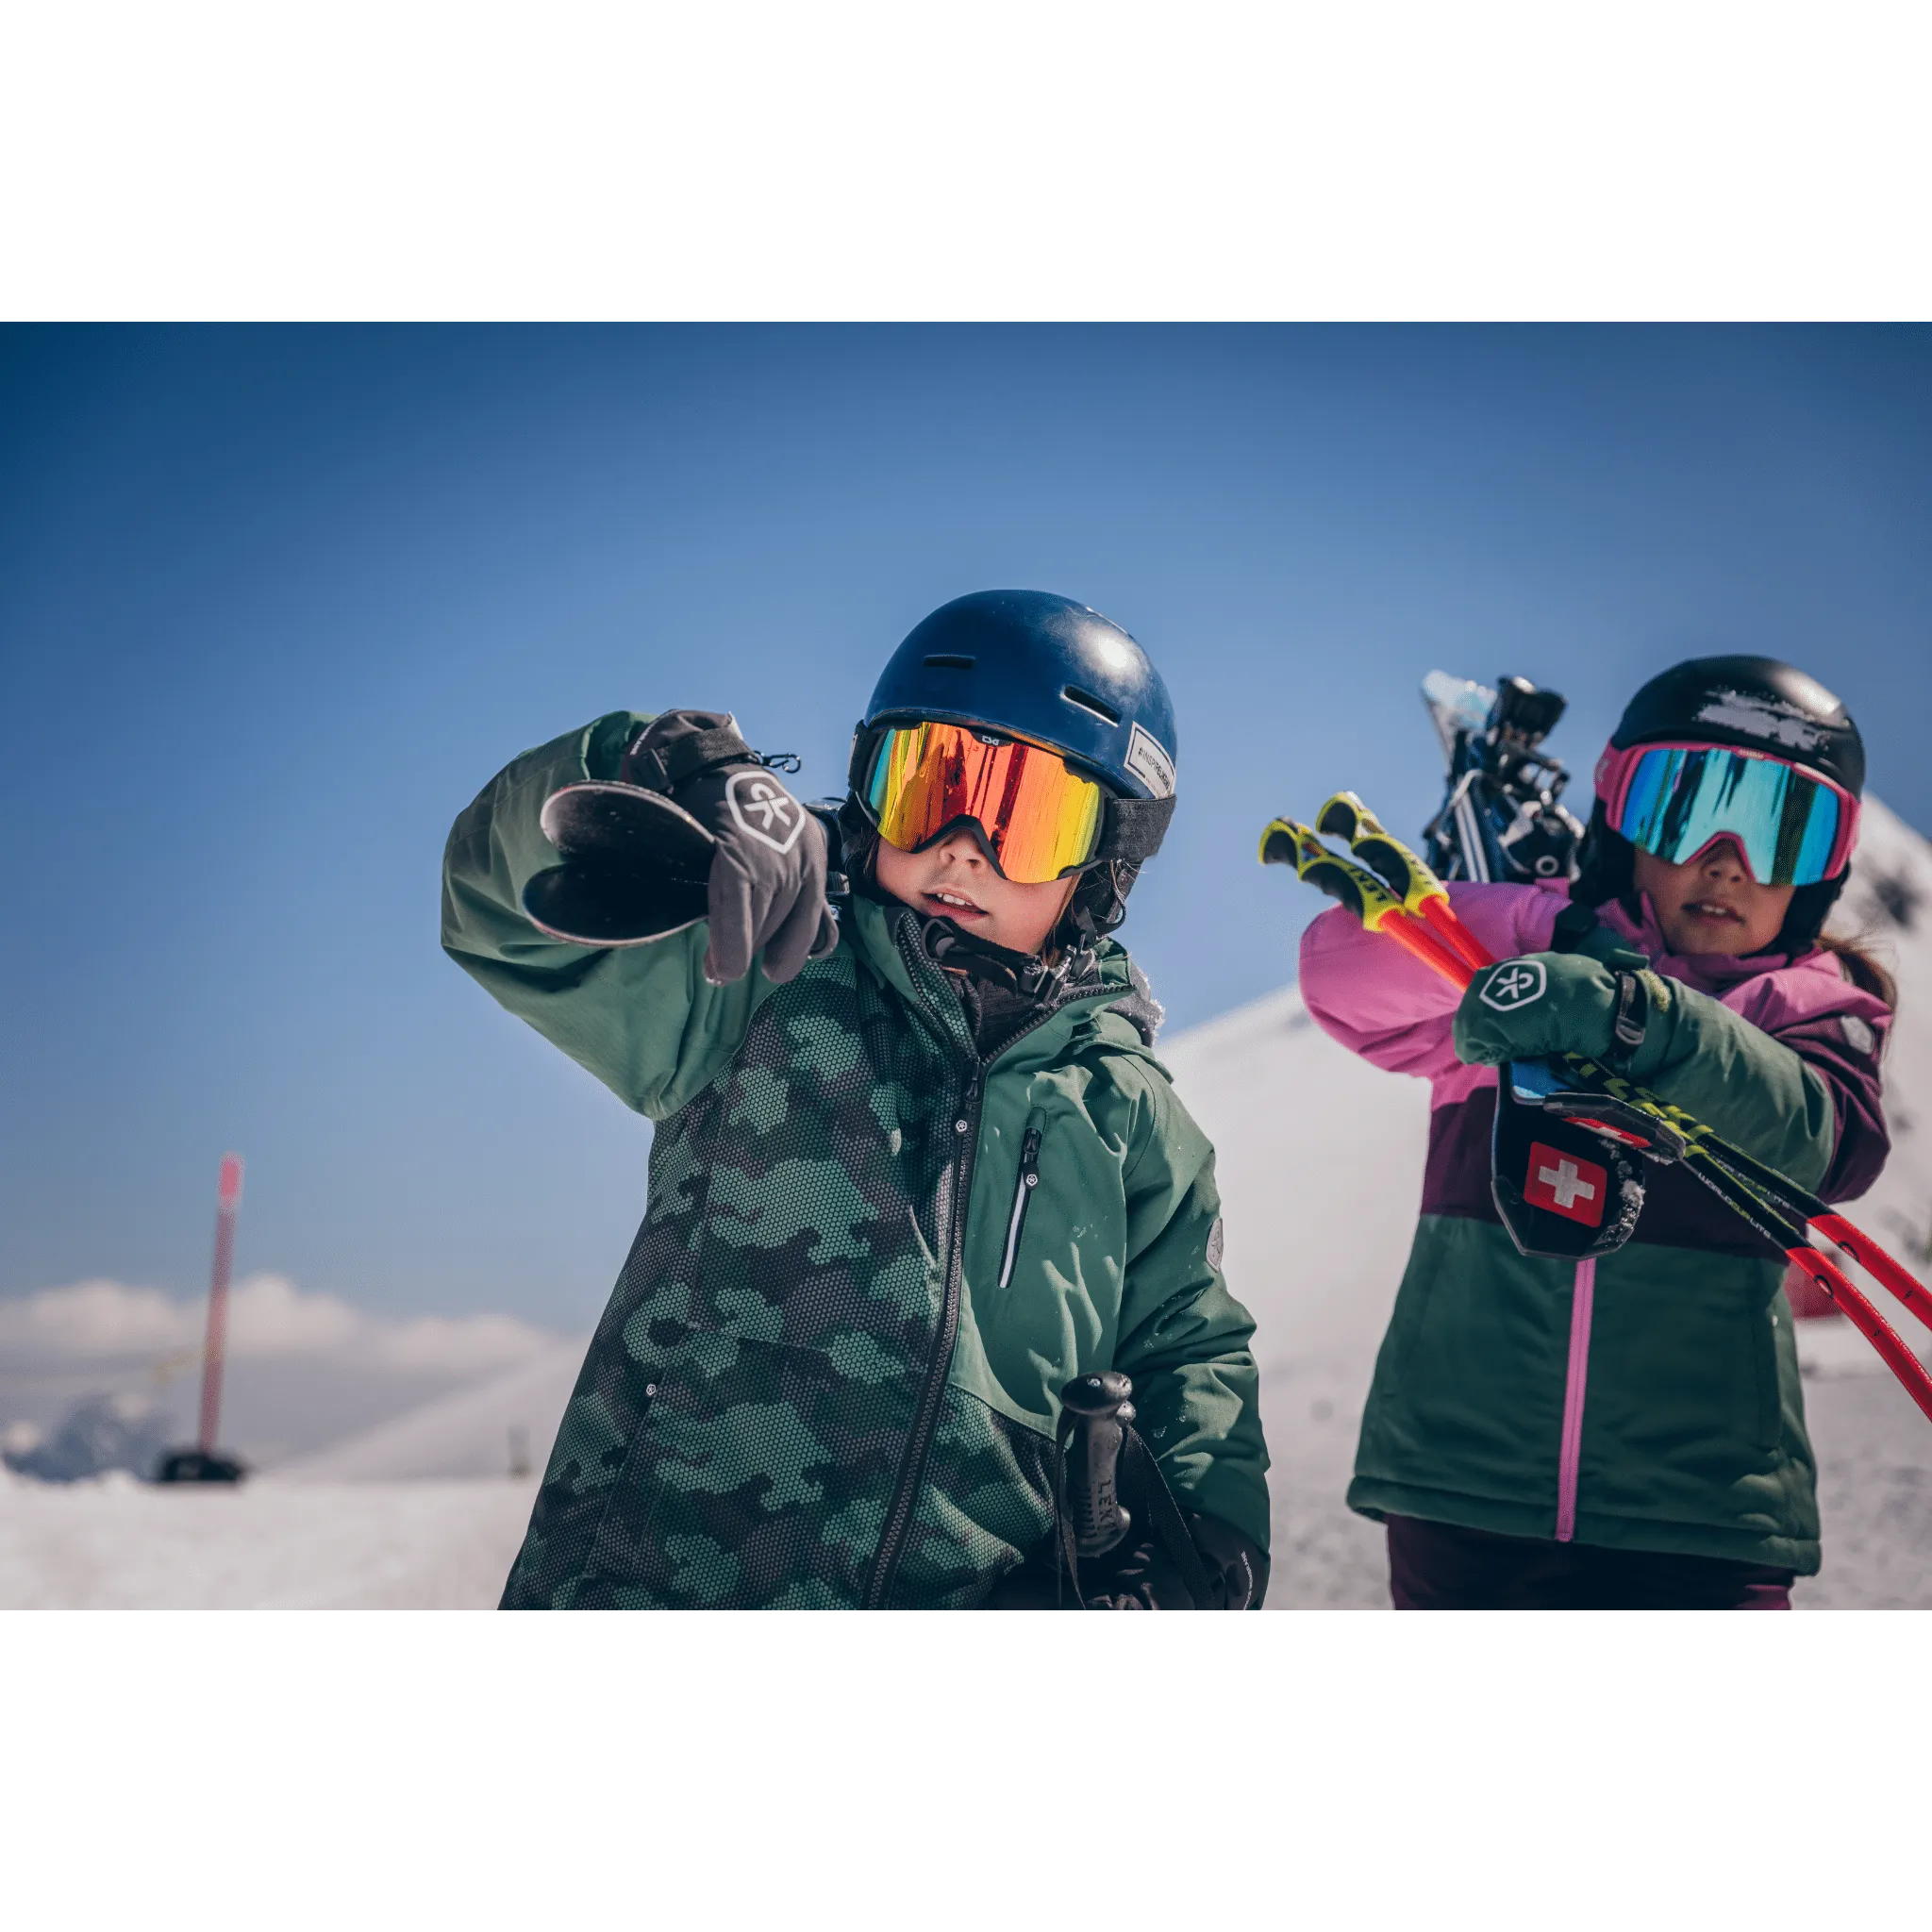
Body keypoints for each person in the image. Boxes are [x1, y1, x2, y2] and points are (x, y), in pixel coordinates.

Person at [443, 589, 1271, 1612]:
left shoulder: (1125, 1112)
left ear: (1105, 862)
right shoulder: (763, 970)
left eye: (1023, 812)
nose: (962, 844)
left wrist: (1205, 1529)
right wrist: (659, 768)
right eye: (927, 787)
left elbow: (1187, 1338)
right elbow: (492, 910)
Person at [1301, 656, 1894, 1613]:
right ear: (1619, 818)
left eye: (1781, 828)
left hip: (1700, 1510)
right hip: (1467, 1492)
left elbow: (1824, 1138)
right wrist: (1541, 929)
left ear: (1824, 867)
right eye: (1684, 806)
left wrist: (1640, 1018)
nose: (1725, 858)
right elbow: (1337, 973)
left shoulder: (1814, 1009)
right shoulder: (1521, 970)